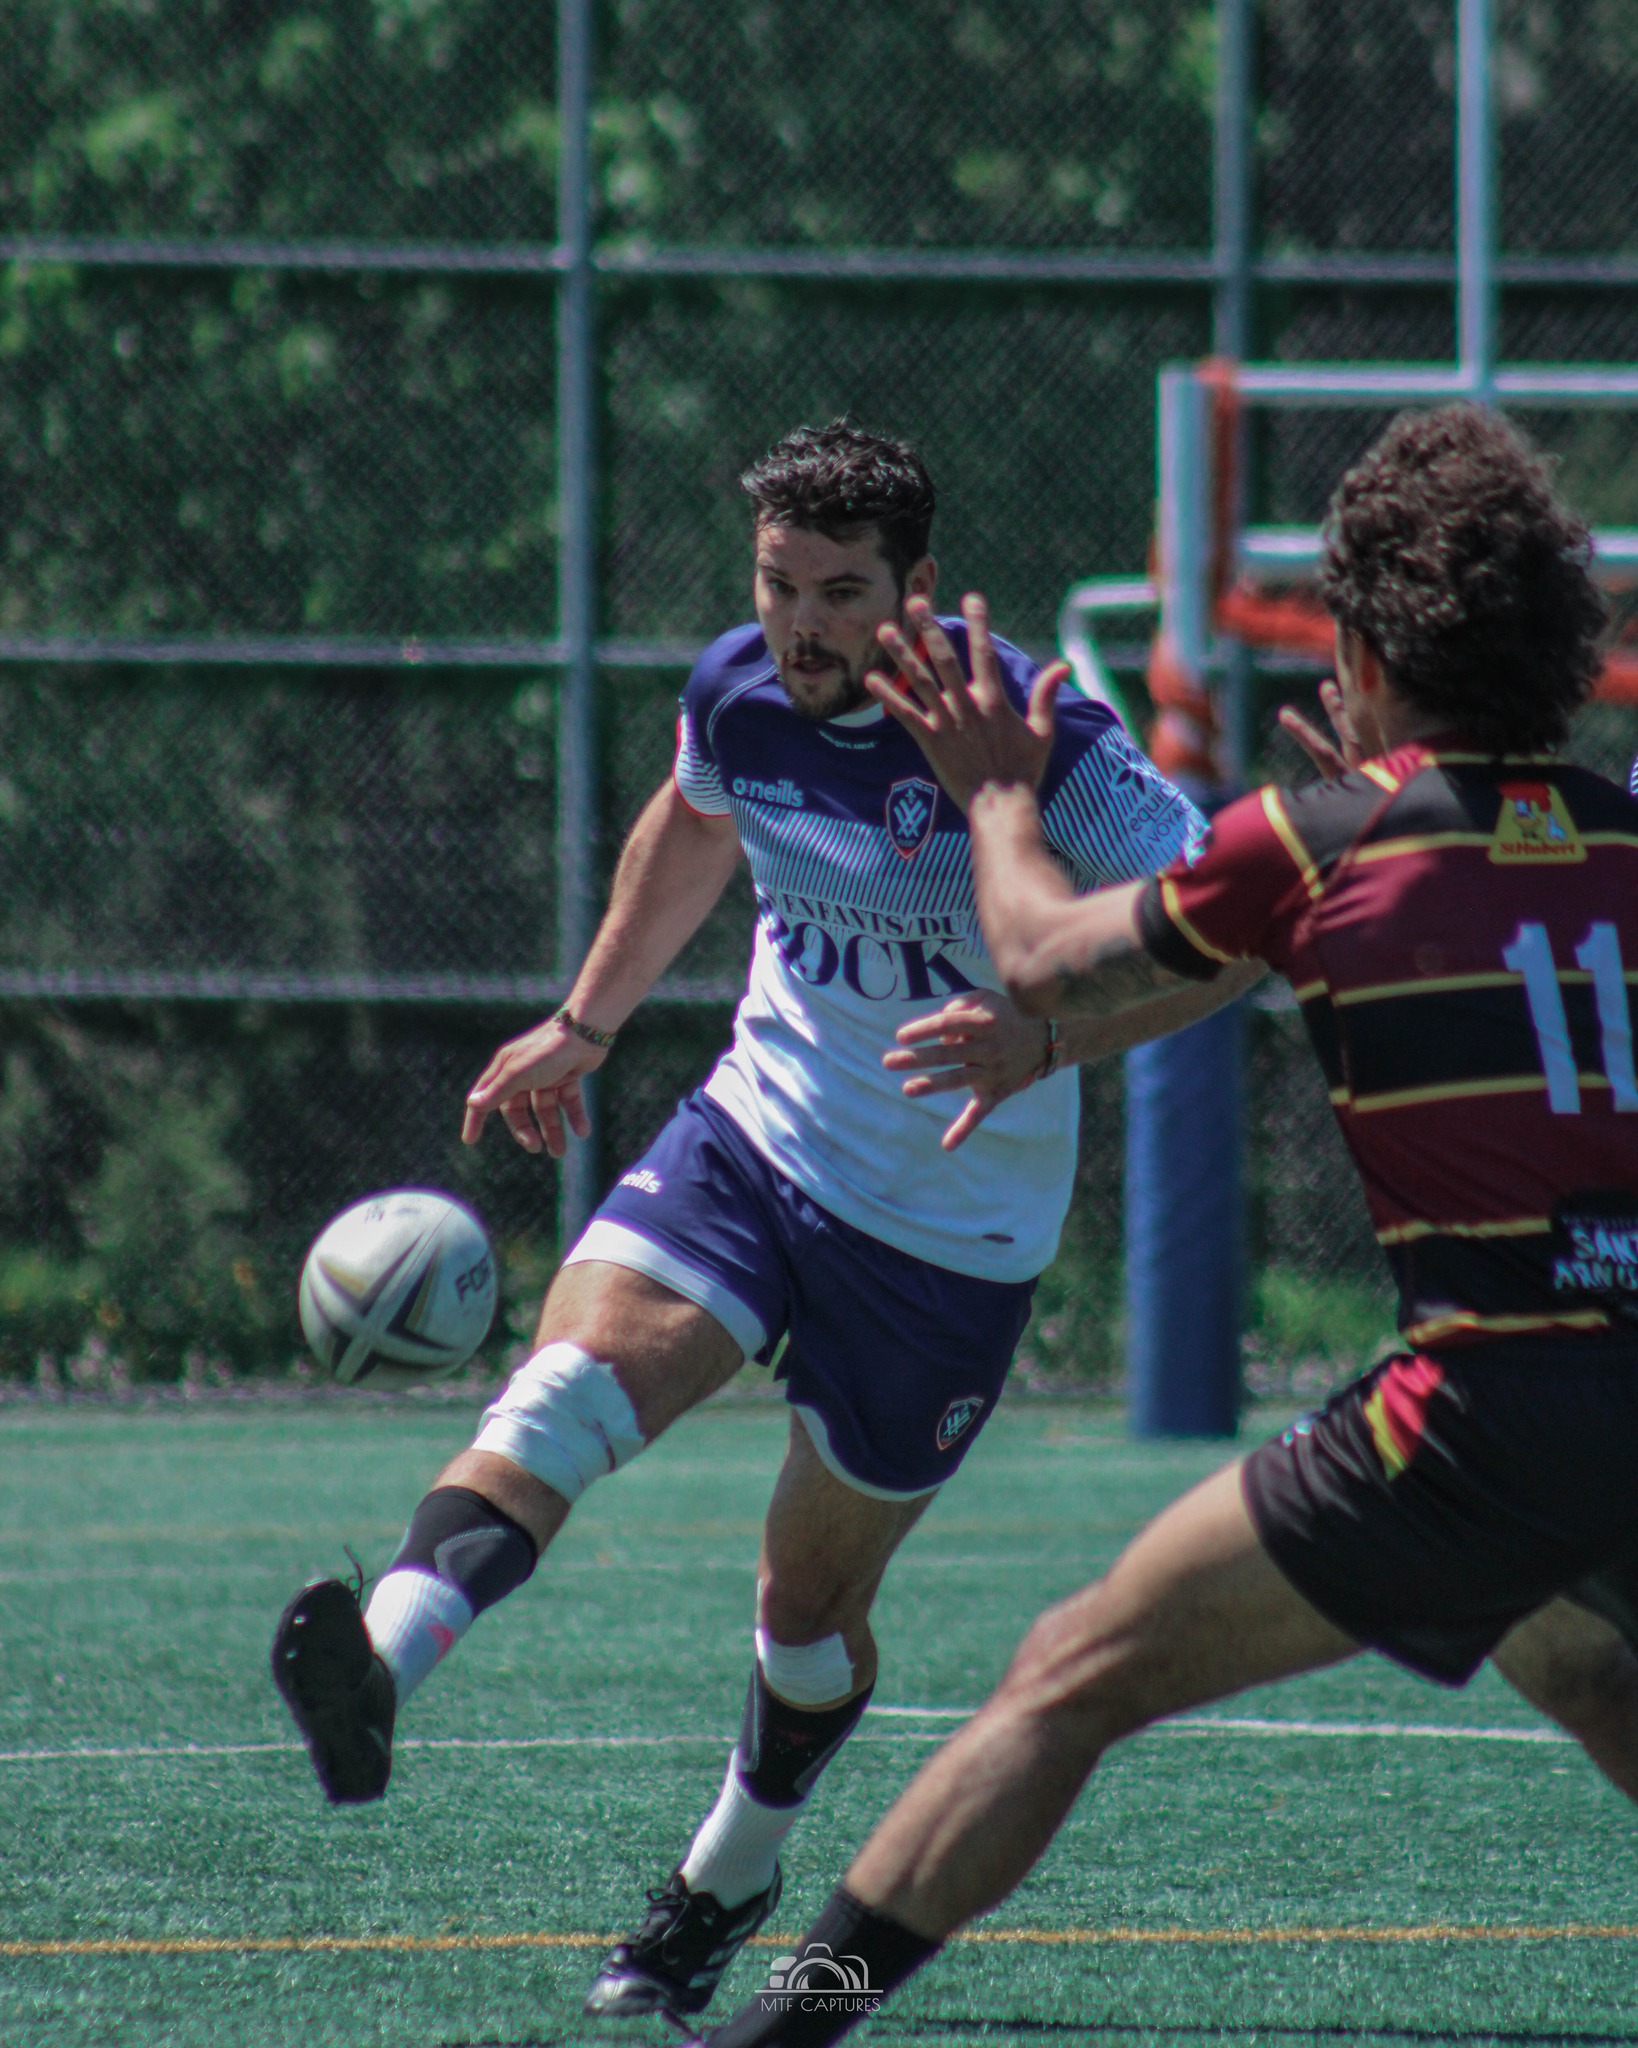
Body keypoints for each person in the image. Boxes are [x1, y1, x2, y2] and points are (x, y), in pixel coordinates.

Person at [270, 419, 1251, 2021]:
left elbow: (1230, 931)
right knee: (569, 1389)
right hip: (756, 1134)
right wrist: (586, 1022)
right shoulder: (739, 684)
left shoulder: (1042, 738)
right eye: (778, 582)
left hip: (947, 1230)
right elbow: (693, 816)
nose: (801, 625)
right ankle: (378, 1661)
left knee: (808, 1612)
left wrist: (1052, 1034)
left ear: (917, 591)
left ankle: (731, 1868)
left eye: (841, 592)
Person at [693, 404, 1638, 2048]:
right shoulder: (1622, 835)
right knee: (1578, 1662)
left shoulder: (1317, 839)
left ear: (1355, 643)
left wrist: (994, 795)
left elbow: (1049, 962)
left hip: (1477, 1411)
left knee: (1065, 1679)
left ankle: (791, 2020)